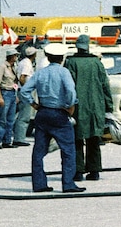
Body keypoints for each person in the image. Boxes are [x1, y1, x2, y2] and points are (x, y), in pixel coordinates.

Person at [19, 43, 84, 193]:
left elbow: (25, 91)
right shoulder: (64, 72)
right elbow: (71, 92)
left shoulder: (40, 73)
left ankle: (39, 184)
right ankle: (68, 184)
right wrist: (70, 106)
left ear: (47, 57)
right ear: (62, 58)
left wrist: (34, 105)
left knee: (39, 152)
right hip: (59, 113)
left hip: (43, 113)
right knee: (68, 150)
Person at [63, 34, 113, 181]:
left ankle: (77, 172)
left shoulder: (70, 62)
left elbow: (67, 85)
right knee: (94, 139)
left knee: (77, 139)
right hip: (96, 106)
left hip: (77, 107)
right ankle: (94, 170)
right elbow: (105, 85)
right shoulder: (97, 62)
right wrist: (109, 106)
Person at [0, 47, 20, 149]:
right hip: (5, 93)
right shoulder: (2, 67)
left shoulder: (13, 68)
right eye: (15, 55)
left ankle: (7, 141)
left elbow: (14, 82)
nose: (16, 57)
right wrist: (0, 97)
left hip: (12, 93)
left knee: (10, 119)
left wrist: (16, 95)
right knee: (2, 119)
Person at [12, 45, 37, 147]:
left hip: (20, 90)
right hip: (25, 91)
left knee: (18, 115)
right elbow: (22, 77)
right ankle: (20, 138)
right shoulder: (27, 64)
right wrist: (26, 89)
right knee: (24, 116)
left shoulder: (22, 62)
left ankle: (17, 136)